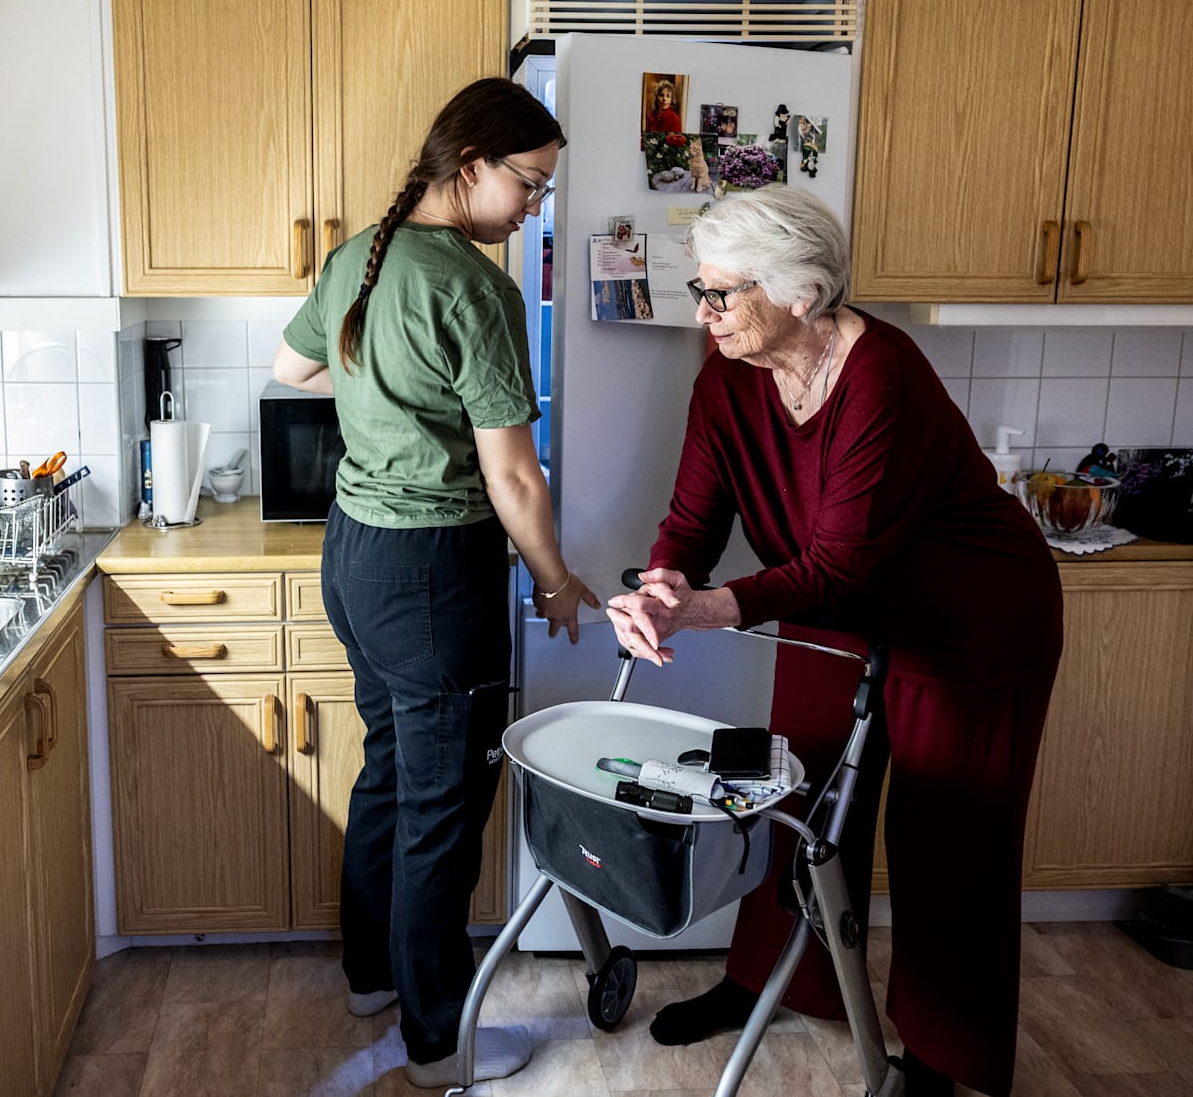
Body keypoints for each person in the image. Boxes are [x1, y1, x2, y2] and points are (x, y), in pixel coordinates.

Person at [604, 186, 1063, 1097]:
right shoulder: (728, 366)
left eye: (724, 293)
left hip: (967, 618)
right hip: (831, 606)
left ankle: (941, 1060)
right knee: (796, 791)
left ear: (802, 295)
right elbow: (695, 513)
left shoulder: (882, 375)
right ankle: (767, 983)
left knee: (949, 839)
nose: (706, 310)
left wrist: (706, 609)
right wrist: (664, 582)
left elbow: (838, 562)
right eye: (703, 288)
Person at [273, 77, 599, 1090]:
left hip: (356, 556)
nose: (535, 207)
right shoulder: (473, 287)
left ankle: (373, 974)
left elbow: (295, 372)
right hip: (432, 577)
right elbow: (511, 473)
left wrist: (387, 385)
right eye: (531, 185)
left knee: (393, 774)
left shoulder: (359, 256)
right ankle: (434, 1040)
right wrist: (554, 579)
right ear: (471, 169)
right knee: (442, 807)